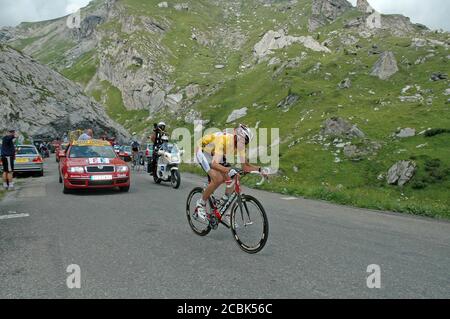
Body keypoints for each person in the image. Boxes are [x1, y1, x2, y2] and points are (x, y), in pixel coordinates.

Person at [194, 124, 265, 222]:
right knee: (217, 179)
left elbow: (245, 166)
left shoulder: (240, 146)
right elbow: (214, 164)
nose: (243, 144)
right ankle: (200, 204)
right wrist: (228, 170)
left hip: (216, 153)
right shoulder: (224, 139)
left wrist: (260, 170)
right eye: (243, 141)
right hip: (203, 150)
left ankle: (225, 208)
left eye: (246, 142)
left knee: (236, 177)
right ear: (237, 137)